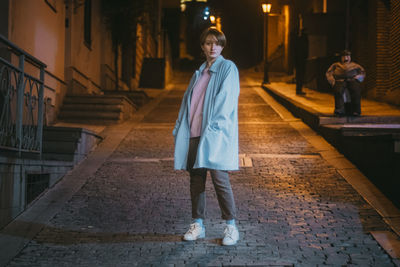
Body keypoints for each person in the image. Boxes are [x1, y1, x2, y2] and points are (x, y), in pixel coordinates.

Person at [172, 27, 240, 246]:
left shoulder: (228, 68)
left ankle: (231, 226)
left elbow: (226, 100)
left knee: (220, 179)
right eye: (209, 43)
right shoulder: (199, 72)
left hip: (214, 134)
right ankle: (198, 224)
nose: (213, 47)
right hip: (194, 133)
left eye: (217, 43)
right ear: (202, 46)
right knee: (196, 179)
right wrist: (180, 126)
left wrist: (214, 129)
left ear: (222, 46)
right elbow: (189, 103)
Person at [326, 50, 366, 116]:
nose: (346, 58)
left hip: (352, 80)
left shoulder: (355, 65)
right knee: (338, 91)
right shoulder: (336, 65)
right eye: (344, 56)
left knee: (356, 91)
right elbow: (329, 72)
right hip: (340, 80)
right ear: (341, 58)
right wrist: (332, 81)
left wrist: (358, 77)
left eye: (347, 56)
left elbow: (362, 72)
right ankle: (339, 110)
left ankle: (356, 110)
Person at [293, 27, 309, 95]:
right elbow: (305, 51)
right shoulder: (304, 40)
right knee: (301, 75)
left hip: (298, 60)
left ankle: (298, 89)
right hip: (301, 60)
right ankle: (299, 89)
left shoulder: (298, 40)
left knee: (299, 75)